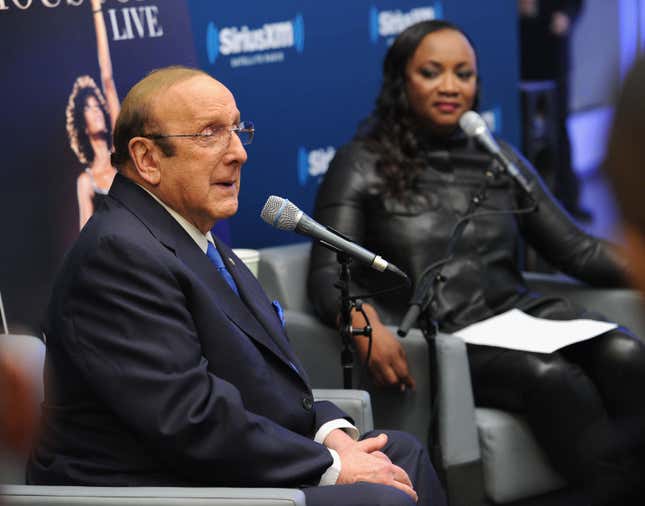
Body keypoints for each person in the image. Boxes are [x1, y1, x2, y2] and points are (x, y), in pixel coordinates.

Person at [27, 65, 446, 506]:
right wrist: (333, 467)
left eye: (237, 130)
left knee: (402, 456)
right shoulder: (117, 255)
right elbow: (190, 419)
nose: (238, 153)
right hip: (153, 488)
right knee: (383, 497)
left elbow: (262, 382)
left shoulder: (193, 236)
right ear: (147, 159)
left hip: (216, 467)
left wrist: (329, 434)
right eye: (210, 133)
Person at [307, 20, 645, 505]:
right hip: (443, 338)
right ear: (402, 81)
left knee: (625, 353)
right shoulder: (361, 162)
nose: (450, 86)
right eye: (431, 72)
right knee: (550, 377)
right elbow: (327, 271)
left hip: (520, 319)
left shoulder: (496, 157)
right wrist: (363, 321)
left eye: (463, 73)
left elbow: (578, 250)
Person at [519, 0, 592, 221]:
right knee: (524, 128)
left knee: (559, 127)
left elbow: (576, 5)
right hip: (522, 54)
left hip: (553, 57)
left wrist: (566, 17)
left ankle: (567, 199)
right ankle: (527, 200)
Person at [67, 0, 120, 229]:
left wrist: (97, 9)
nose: (97, 111)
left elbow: (107, 78)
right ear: (83, 125)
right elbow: (85, 237)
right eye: (89, 108)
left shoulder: (121, 153)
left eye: (98, 106)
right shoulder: (85, 182)